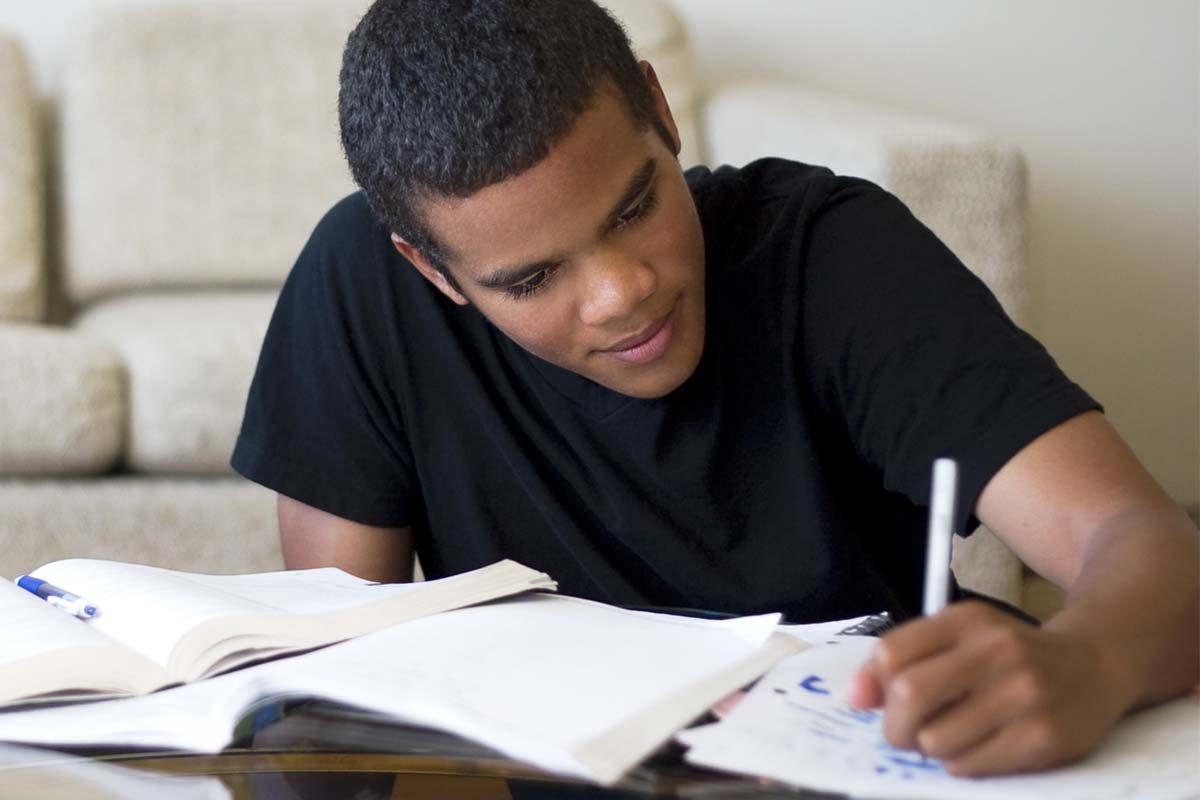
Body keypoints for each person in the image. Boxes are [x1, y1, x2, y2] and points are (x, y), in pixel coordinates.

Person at [232, 0, 1198, 778]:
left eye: (637, 205)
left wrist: (1091, 662)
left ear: (659, 107)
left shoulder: (836, 256)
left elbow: (1149, 547)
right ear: (432, 270)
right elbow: (328, 695)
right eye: (531, 281)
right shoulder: (362, 286)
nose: (621, 296)